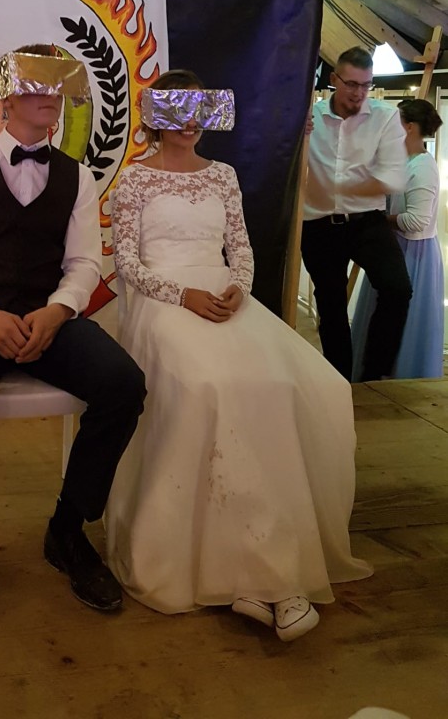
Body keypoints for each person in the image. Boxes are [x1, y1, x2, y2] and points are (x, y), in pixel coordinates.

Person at [106, 70, 371, 642]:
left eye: (198, 109)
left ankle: (271, 570)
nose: (190, 121)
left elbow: (242, 249)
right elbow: (126, 261)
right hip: (164, 300)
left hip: (223, 295)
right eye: (177, 110)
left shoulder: (223, 175)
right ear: (156, 116)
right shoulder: (134, 179)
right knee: (213, 386)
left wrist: (238, 288)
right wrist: (183, 295)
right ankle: (247, 570)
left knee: (288, 384)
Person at [0, 43, 146, 632]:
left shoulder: (78, 176)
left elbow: (84, 263)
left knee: (123, 385)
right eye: (35, 83)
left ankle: (67, 530)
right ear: (10, 93)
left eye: (57, 83)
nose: (49, 95)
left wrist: (57, 311)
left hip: (50, 316)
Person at [302, 47, 410, 381]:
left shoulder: (385, 117)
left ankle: (373, 375)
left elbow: (395, 175)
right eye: (351, 84)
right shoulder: (309, 118)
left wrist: (351, 187)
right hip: (318, 223)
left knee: (397, 288)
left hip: (367, 221)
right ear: (334, 80)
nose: (359, 93)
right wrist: (296, 134)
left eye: (366, 85)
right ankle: (340, 382)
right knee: (331, 305)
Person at [352, 98, 444, 379]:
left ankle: (396, 376)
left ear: (409, 127)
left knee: (403, 319)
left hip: (412, 254)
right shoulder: (401, 160)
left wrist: (382, 219)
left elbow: (417, 221)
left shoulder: (422, 168)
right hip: (393, 248)